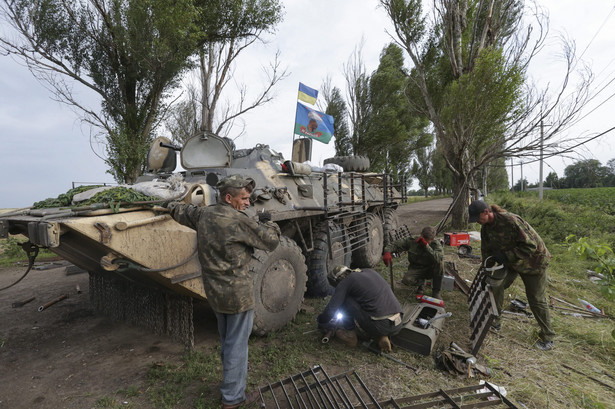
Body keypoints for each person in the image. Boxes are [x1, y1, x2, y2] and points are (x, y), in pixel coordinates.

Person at [164, 174, 281, 409]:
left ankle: (230, 387)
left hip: (215, 293)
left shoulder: (203, 214)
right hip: (238, 296)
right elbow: (271, 242)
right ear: (229, 198)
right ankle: (233, 398)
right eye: (244, 198)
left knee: (228, 342)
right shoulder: (239, 221)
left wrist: (167, 203)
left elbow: (179, 211)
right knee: (237, 345)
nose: (248, 202)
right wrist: (268, 221)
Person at [468, 200, 555, 351]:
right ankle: (495, 320)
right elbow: (486, 252)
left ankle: (548, 336)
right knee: (494, 284)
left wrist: (507, 256)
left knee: (536, 299)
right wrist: (485, 272)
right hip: (511, 262)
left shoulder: (510, 220)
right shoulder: (485, 229)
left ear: (486, 212)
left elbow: (530, 245)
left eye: (478, 217)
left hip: (533, 262)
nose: (477, 221)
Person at [317, 266, 403, 352]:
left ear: (337, 280)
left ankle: (350, 336)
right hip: (398, 321)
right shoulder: (369, 272)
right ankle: (382, 336)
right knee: (373, 306)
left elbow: (331, 310)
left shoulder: (346, 281)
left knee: (345, 300)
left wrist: (321, 321)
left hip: (380, 325)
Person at [382, 226, 444, 299]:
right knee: (407, 280)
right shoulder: (412, 241)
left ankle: (436, 291)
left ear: (432, 239)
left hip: (430, 269)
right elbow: (396, 244)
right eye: (423, 238)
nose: (423, 240)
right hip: (416, 268)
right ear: (421, 234)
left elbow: (438, 258)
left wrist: (427, 246)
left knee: (440, 264)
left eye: (427, 240)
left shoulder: (435, 244)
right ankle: (421, 283)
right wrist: (387, 252)